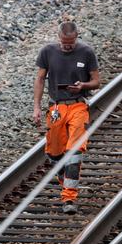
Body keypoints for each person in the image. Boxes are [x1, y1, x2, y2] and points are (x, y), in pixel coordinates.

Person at [33, 21, 99, 214]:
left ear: (76, 37)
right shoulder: (47, 52)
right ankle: (65, 179)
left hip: (78, 105)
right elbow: (39, 78)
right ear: (59, 37)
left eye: (70, 42)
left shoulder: (86, 52)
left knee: (74, 150)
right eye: (64, 42)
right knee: (54, 153)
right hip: (56, 107)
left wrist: (83, 86)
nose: (67, 45)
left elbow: (96, 81)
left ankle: (69, 198)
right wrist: (36, 107)